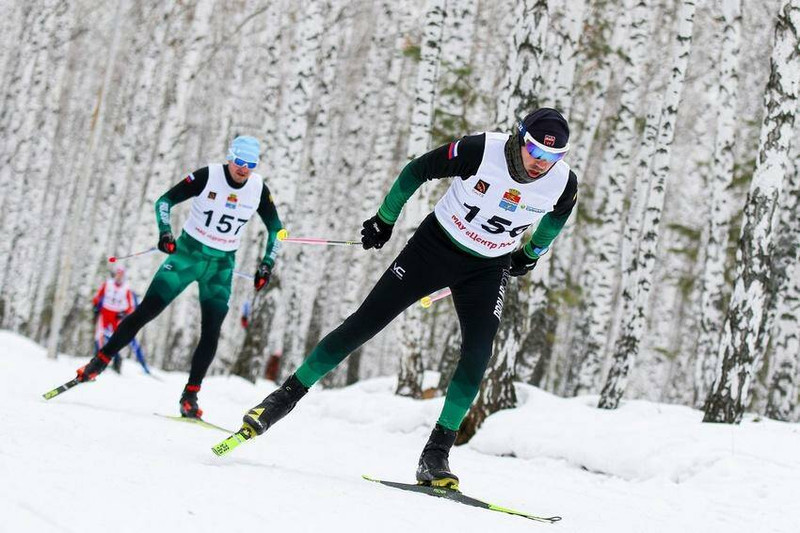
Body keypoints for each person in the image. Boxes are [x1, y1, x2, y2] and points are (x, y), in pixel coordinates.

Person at [235, 109, 578, 489]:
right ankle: (281, 400)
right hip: (434, 249)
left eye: (552, 158)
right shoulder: (482, 150)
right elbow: (417, 170)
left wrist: (531, 253)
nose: (539, 164)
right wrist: (385, 218)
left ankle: (436, 454)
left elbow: (556, 218)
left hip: (487, 268)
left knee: (478, 354)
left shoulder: (562, 183)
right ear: (520, 137)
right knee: (363, 324)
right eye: (534, 151)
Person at [75, 135, 284, 419]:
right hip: (187, 255)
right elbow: (164, 201)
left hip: (220, 266)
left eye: (250, 164)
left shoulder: (258, 188)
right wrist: (165, 232)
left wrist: (267, 263)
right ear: (229, 157)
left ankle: (190, 396)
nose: (243, 168)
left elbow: (277, 230)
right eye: (239, 161)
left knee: (211, 331)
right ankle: (98, 363)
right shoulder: (208, 176)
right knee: (147, 311)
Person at [92, 265, 136, 373]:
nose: (119, 276)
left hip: (117, 316)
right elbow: (98, 296)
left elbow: (131, 306)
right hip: (105, 313)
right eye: (117, 274)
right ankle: (96, 362)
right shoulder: (108, 284)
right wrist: (96, 307)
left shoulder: (126, 288)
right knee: (99, 336)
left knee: (118, 338)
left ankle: (117, 363)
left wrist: (124, 314)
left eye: (121, 274)